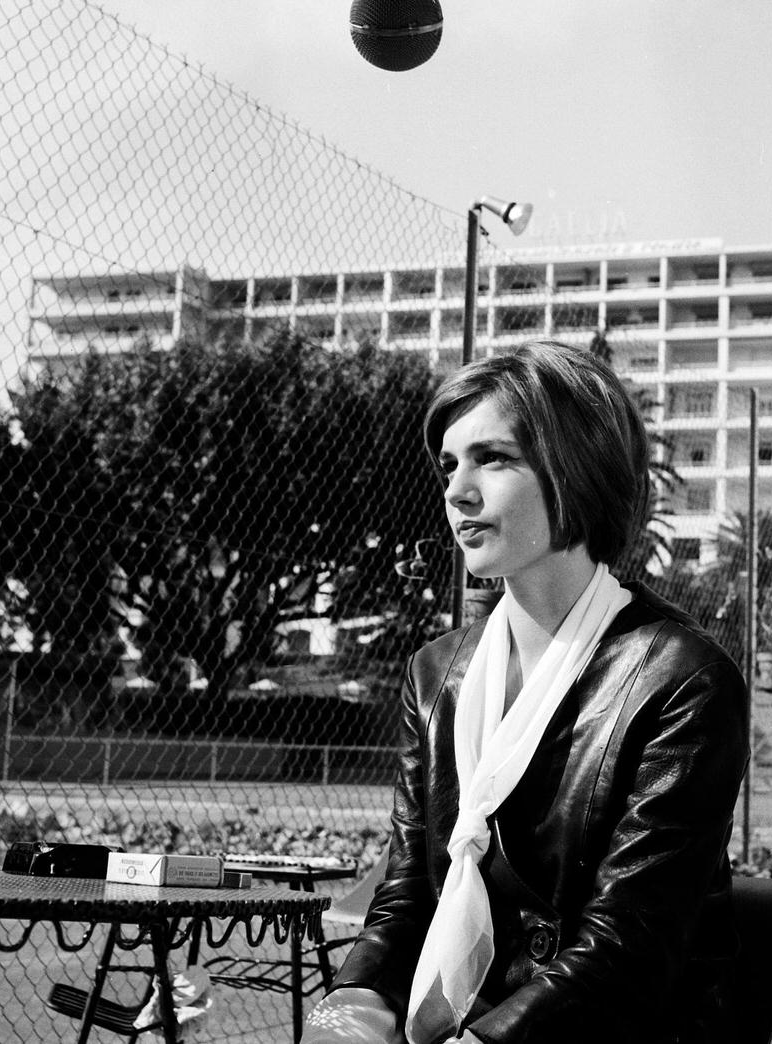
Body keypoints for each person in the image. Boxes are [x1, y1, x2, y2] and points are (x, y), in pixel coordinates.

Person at [304, 341, 748, 1044]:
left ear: (576, 468)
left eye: (493, 458)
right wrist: (348, 1010)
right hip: (462, 1019)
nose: (457, 490)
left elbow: (627, 947)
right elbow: (407, 893)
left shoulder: (681, 678)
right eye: (449, 464)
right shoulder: (437, 674)